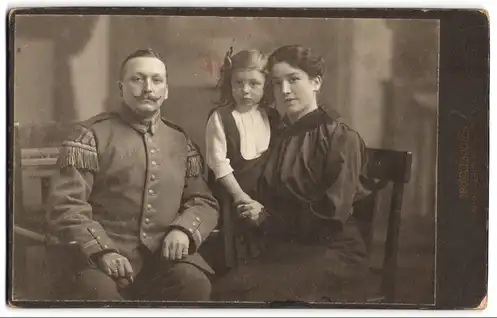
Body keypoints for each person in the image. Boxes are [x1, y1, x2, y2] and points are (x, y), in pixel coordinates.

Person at [45, 49, 219, 301]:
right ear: (120, 88)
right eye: (138, 79)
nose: (148, 88)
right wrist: (103, 251)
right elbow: (66, 205)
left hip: (163, 261)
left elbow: (203, 201)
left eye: (157, 80)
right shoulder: (89, 135)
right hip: (101, 259)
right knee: (97, 292)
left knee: (195, 285)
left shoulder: (181, 141)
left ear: (166, 90)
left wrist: (183, 231)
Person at [212, 45, 373, 302]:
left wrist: (266, 220)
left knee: (242, 295)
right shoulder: (276, 133)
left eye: (294, 79)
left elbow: (330, 218)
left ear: (316, 82)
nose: (284, 91)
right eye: (276, 83)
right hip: (286, 249)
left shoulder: (340, 138)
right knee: (223, 291)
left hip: (333, 252)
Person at [205, 49, 280, 264]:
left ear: (265, 85)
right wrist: (240, 197)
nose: (245, 90)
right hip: (232, 196)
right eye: (238, 83)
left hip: (265, 198)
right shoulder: (221, 117)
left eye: (253, 84)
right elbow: (218, 164)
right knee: (235, 254)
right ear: (230, 84)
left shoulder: (273, 117)